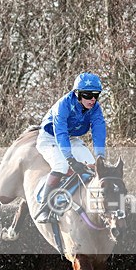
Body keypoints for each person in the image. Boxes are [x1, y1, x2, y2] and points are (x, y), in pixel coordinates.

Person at [34, 72, 107, 223]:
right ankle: (44, 207)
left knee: (92, 165)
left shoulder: (95, 109)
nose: (92, 99)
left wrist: (100, 156)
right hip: (50, 137)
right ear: (77, 94)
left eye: (96, 94)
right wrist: (70, 159)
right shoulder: (63, 105)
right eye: (87, 95)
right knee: (61, 165)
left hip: (72, 138)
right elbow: (60, 132)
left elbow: (99, 131)